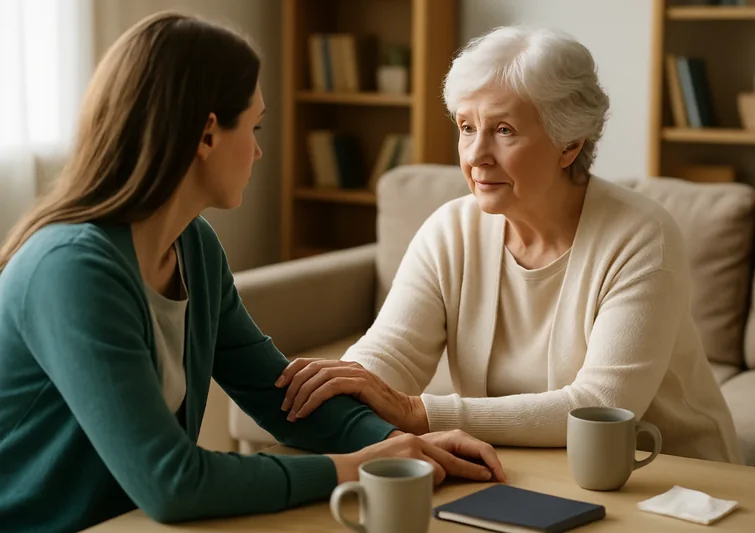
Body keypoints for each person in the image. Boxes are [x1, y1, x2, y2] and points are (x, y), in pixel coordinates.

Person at [0, 12, 505, 533]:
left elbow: (280, 395)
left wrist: (395, 445)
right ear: (207, 134)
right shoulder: (71, 271)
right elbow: (173, 483)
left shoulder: (194, 247)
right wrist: (352, 468)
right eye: (255, 126)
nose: (261, 150)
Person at [276, 26, 743, 465]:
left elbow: (600, 406)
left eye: (503, 130)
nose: (475, 155)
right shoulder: (451, 230)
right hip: (519, 463)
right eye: (465, 127)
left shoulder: (641, 236)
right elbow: (392, 352)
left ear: (569, 145)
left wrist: (418, 413)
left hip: (664, 477)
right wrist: (343, 387)